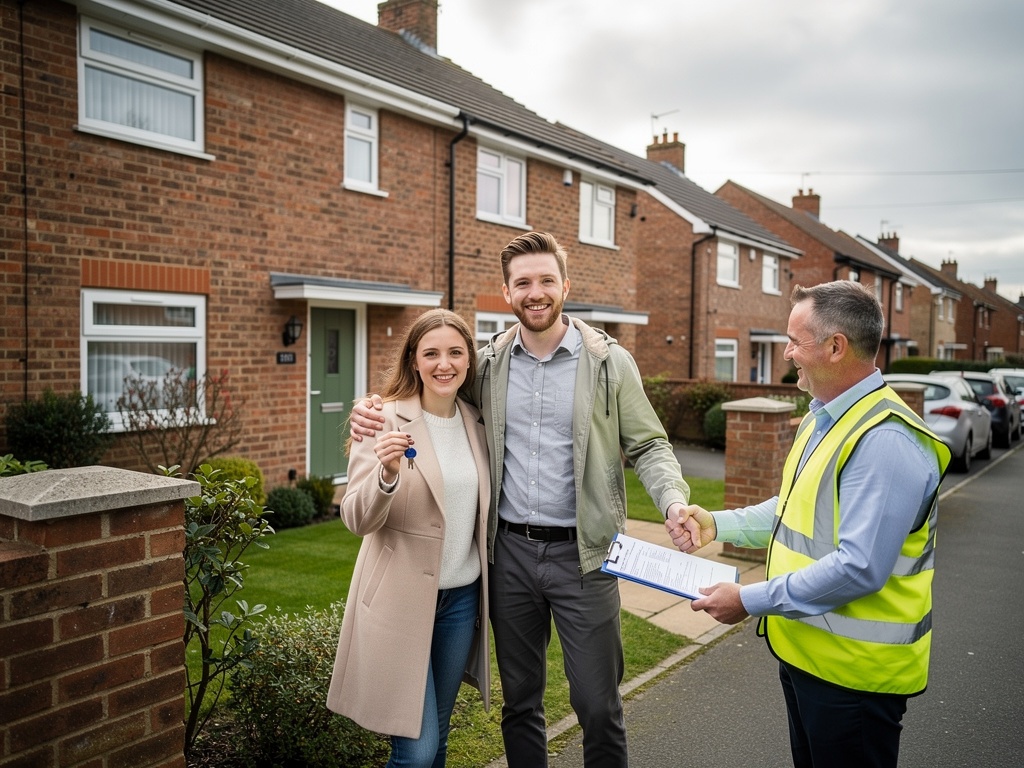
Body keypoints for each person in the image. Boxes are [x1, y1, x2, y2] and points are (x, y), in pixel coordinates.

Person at [350, 231, 690, 768]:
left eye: (546, 281)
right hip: (508, 558)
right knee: (520, 703)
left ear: (565, 286)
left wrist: (672, 501)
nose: (536, 292)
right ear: (506, 292)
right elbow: (428, 390)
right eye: (523, 282)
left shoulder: (609, 363)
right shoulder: (485, 366)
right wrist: (368, 412)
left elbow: (648, 442)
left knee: (597, 705)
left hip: (586, 557)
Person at [667, 280, 951, 768]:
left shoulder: (885, 440)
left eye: (795, 341)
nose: (786, 352)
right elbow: (792, 510)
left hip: (854, 679)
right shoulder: (825, 418)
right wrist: (716, 523)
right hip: (808, 658)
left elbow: (859, 568)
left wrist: (749, 600)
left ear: (836, 347)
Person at [326, 308, 491, 768]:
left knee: (437, 742)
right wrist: (387, 474)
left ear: (469, 361)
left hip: (460, 601)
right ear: (414, 361)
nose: (445, 364)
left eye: (456, 352)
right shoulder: (383, 419)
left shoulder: (477, 422)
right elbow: (356, 518)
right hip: (399, 602)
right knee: (416, 752)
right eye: (432, 353)